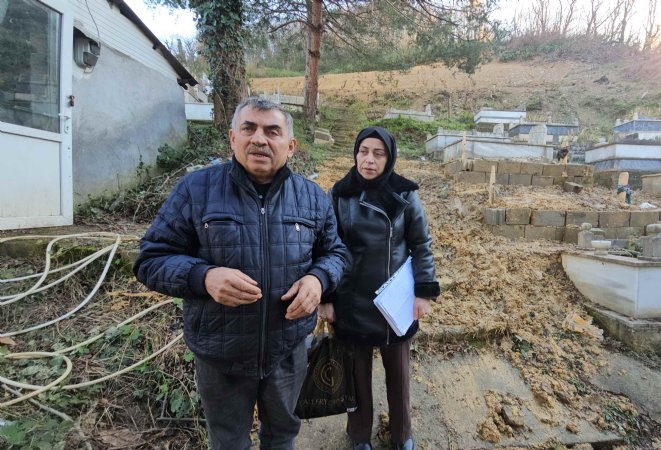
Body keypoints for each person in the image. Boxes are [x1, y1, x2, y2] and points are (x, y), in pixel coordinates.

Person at [134, 97, 348, 450]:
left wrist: (319, 279)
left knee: (281, 438)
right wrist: (202, 277)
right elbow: (150, 259)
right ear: (233, 138)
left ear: (290, 146)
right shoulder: (196, 190)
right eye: (249, 129)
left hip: (287, 351)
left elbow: (336, 254)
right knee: (228, 442)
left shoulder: (313, 198)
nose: (259, 139)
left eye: (272, 131)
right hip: (221, 354)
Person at [318, 126, 440, 450]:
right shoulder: (339, 194)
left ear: (389, 157)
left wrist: (423, 292)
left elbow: (421, 244)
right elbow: (328, 247)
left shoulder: (405, 194)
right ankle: (359, 436)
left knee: (398, 376)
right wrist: (327, 298)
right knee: (356, 377)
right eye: (363, 151)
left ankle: (402, 436)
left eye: (378, 153)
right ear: (355, 154)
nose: (368, 160)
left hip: (394, 300)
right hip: (351, 299)